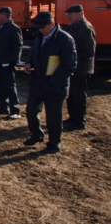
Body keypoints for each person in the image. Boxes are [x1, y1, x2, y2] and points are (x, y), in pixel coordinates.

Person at [23, 11, 77, 154]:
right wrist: (29, 63)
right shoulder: (40, 36)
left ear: (51, 24)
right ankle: (37, 135)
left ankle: (54, 144)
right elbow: (35, 53)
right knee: (31, 110)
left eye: (42, 27)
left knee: (53, 117)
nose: (40, 30)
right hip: (39, 82)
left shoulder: (65, 39)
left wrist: (52, 82)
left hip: (55, 86)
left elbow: (69, 65)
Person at [62, 4, 96, 131]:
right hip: (72, 68)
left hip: (81, 69)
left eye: (71, 15)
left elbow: (88, 52)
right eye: (68, 15)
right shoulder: (73, 28)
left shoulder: (86, 29)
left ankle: (79, 121)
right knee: (71, 95)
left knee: (79, 96)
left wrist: (75, 63)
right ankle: (72, 117)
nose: (69, 17)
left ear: (80, 14)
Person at [0, 6, 23, 119]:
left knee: (10, 86)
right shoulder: (0, 27)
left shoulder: (13, 28)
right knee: (0, 86)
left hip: (7, 63)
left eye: (0, 14)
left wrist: (14, 60)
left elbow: (18, 45)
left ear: (5, 15)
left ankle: (15, 110)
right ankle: (4, 107)